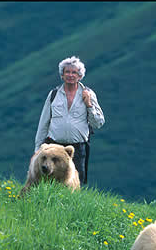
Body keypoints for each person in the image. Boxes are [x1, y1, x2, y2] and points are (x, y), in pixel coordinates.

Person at [34, 56, 105, 185]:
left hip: (77, 149)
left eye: (74, 72)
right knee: (47, 182)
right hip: (53, 147)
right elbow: (43, 124)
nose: (70, 75)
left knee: (75, 184)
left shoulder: (88, 94)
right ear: (62, 75)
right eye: (67, 72)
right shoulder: (54, 94)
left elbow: (98, 123)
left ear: (80, 76)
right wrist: (38, 149)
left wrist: (89, 104)